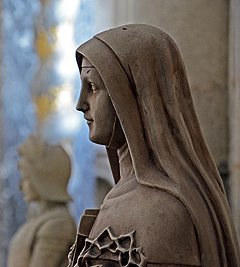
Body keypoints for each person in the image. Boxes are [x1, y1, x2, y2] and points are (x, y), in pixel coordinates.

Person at [68, 24, 240, 267]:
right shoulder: (125, 196)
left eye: (93, 87)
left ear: (131, 94)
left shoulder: (164, 213)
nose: (80, 104)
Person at [8, 135, 76, 267]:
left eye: (26, 178)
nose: (20, 186)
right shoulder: (42, 221)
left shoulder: (58, 224)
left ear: (41, 180)